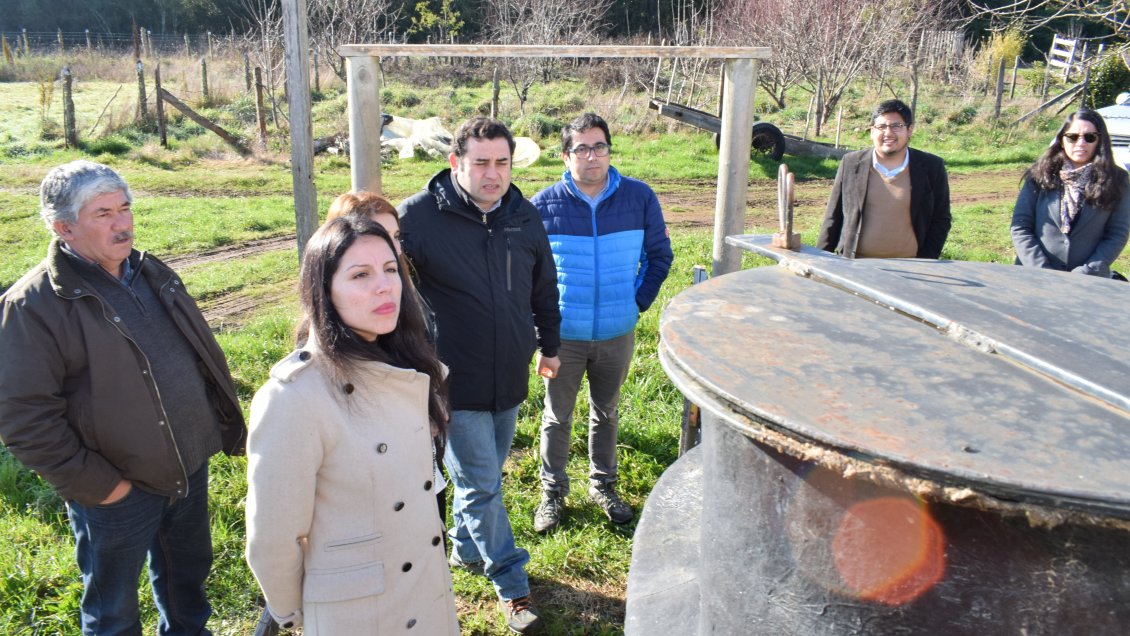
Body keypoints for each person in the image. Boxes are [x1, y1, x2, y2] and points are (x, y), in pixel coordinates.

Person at [0, 160, 246, 635]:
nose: (123, 223)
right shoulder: (32, 306)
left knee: (187, 588)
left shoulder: (150, 271)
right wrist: (103, 487)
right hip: (115, 490)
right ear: (64, 228)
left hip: (188, 467)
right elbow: (24, 419)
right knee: (113, 613)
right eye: (103, 213)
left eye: (125, 208)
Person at [245, 216, 458, 634]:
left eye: (390, 269)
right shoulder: (293, 397)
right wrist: (293, 611)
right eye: (360, 275)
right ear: (323, 291)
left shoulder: (407, 368)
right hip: (359, 614)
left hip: (425, 590)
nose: (385, 286)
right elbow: (273, 536)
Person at [398, 116, 561, 634]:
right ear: (456, 163)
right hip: (452, 379)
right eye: (481, 163)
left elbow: (544, 287)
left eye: (503, 163)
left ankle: (465, 548)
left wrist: (550, 346)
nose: (493, 174)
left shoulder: (522, 215)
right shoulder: (417, 218)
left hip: (509, 373)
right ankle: (512, 585)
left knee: (483, 475)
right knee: (484, 484)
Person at [529, 113, 673, 533]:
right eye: (582, 149)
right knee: (557, 416)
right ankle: (552, 492)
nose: (592, 156)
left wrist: (635, 302)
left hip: (616, 333)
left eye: (600, 147)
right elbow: (528, 274)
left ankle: (603, 485)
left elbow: (659, 256)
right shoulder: (543, 206)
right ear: (565, 156)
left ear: (609, 151)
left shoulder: (638, 198)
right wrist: (543, 330)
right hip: (563, 338)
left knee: (606, 412)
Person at [324, 191, 447, 522]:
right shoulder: (331, 335)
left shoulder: (403, 291)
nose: (391, 248)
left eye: (395, 236)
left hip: (423, 464)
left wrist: (432, 405)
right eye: (377, 235)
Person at [818, 99, 952, 259]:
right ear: (872, 131)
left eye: (896, 126)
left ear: (909, 130)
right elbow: (833, 216)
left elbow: (941, 219)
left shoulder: (931, 167)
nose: (888, 133)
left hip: (911, 266)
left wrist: (927, 260)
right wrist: (820, 259)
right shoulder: (851, 163)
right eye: (881, 127)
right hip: (855, 264)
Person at [1011, 109, 1130, 278]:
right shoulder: (1039, 174)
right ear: (1062, 140)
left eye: (1089, 137)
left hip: (1087, 280)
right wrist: (1042, 270)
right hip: (1034, 275)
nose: (1080, 143)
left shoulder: (1117, 179)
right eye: (1072, 137)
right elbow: (1020, 226)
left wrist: (1086, 272)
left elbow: (1117, 234)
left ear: (1099, 141)